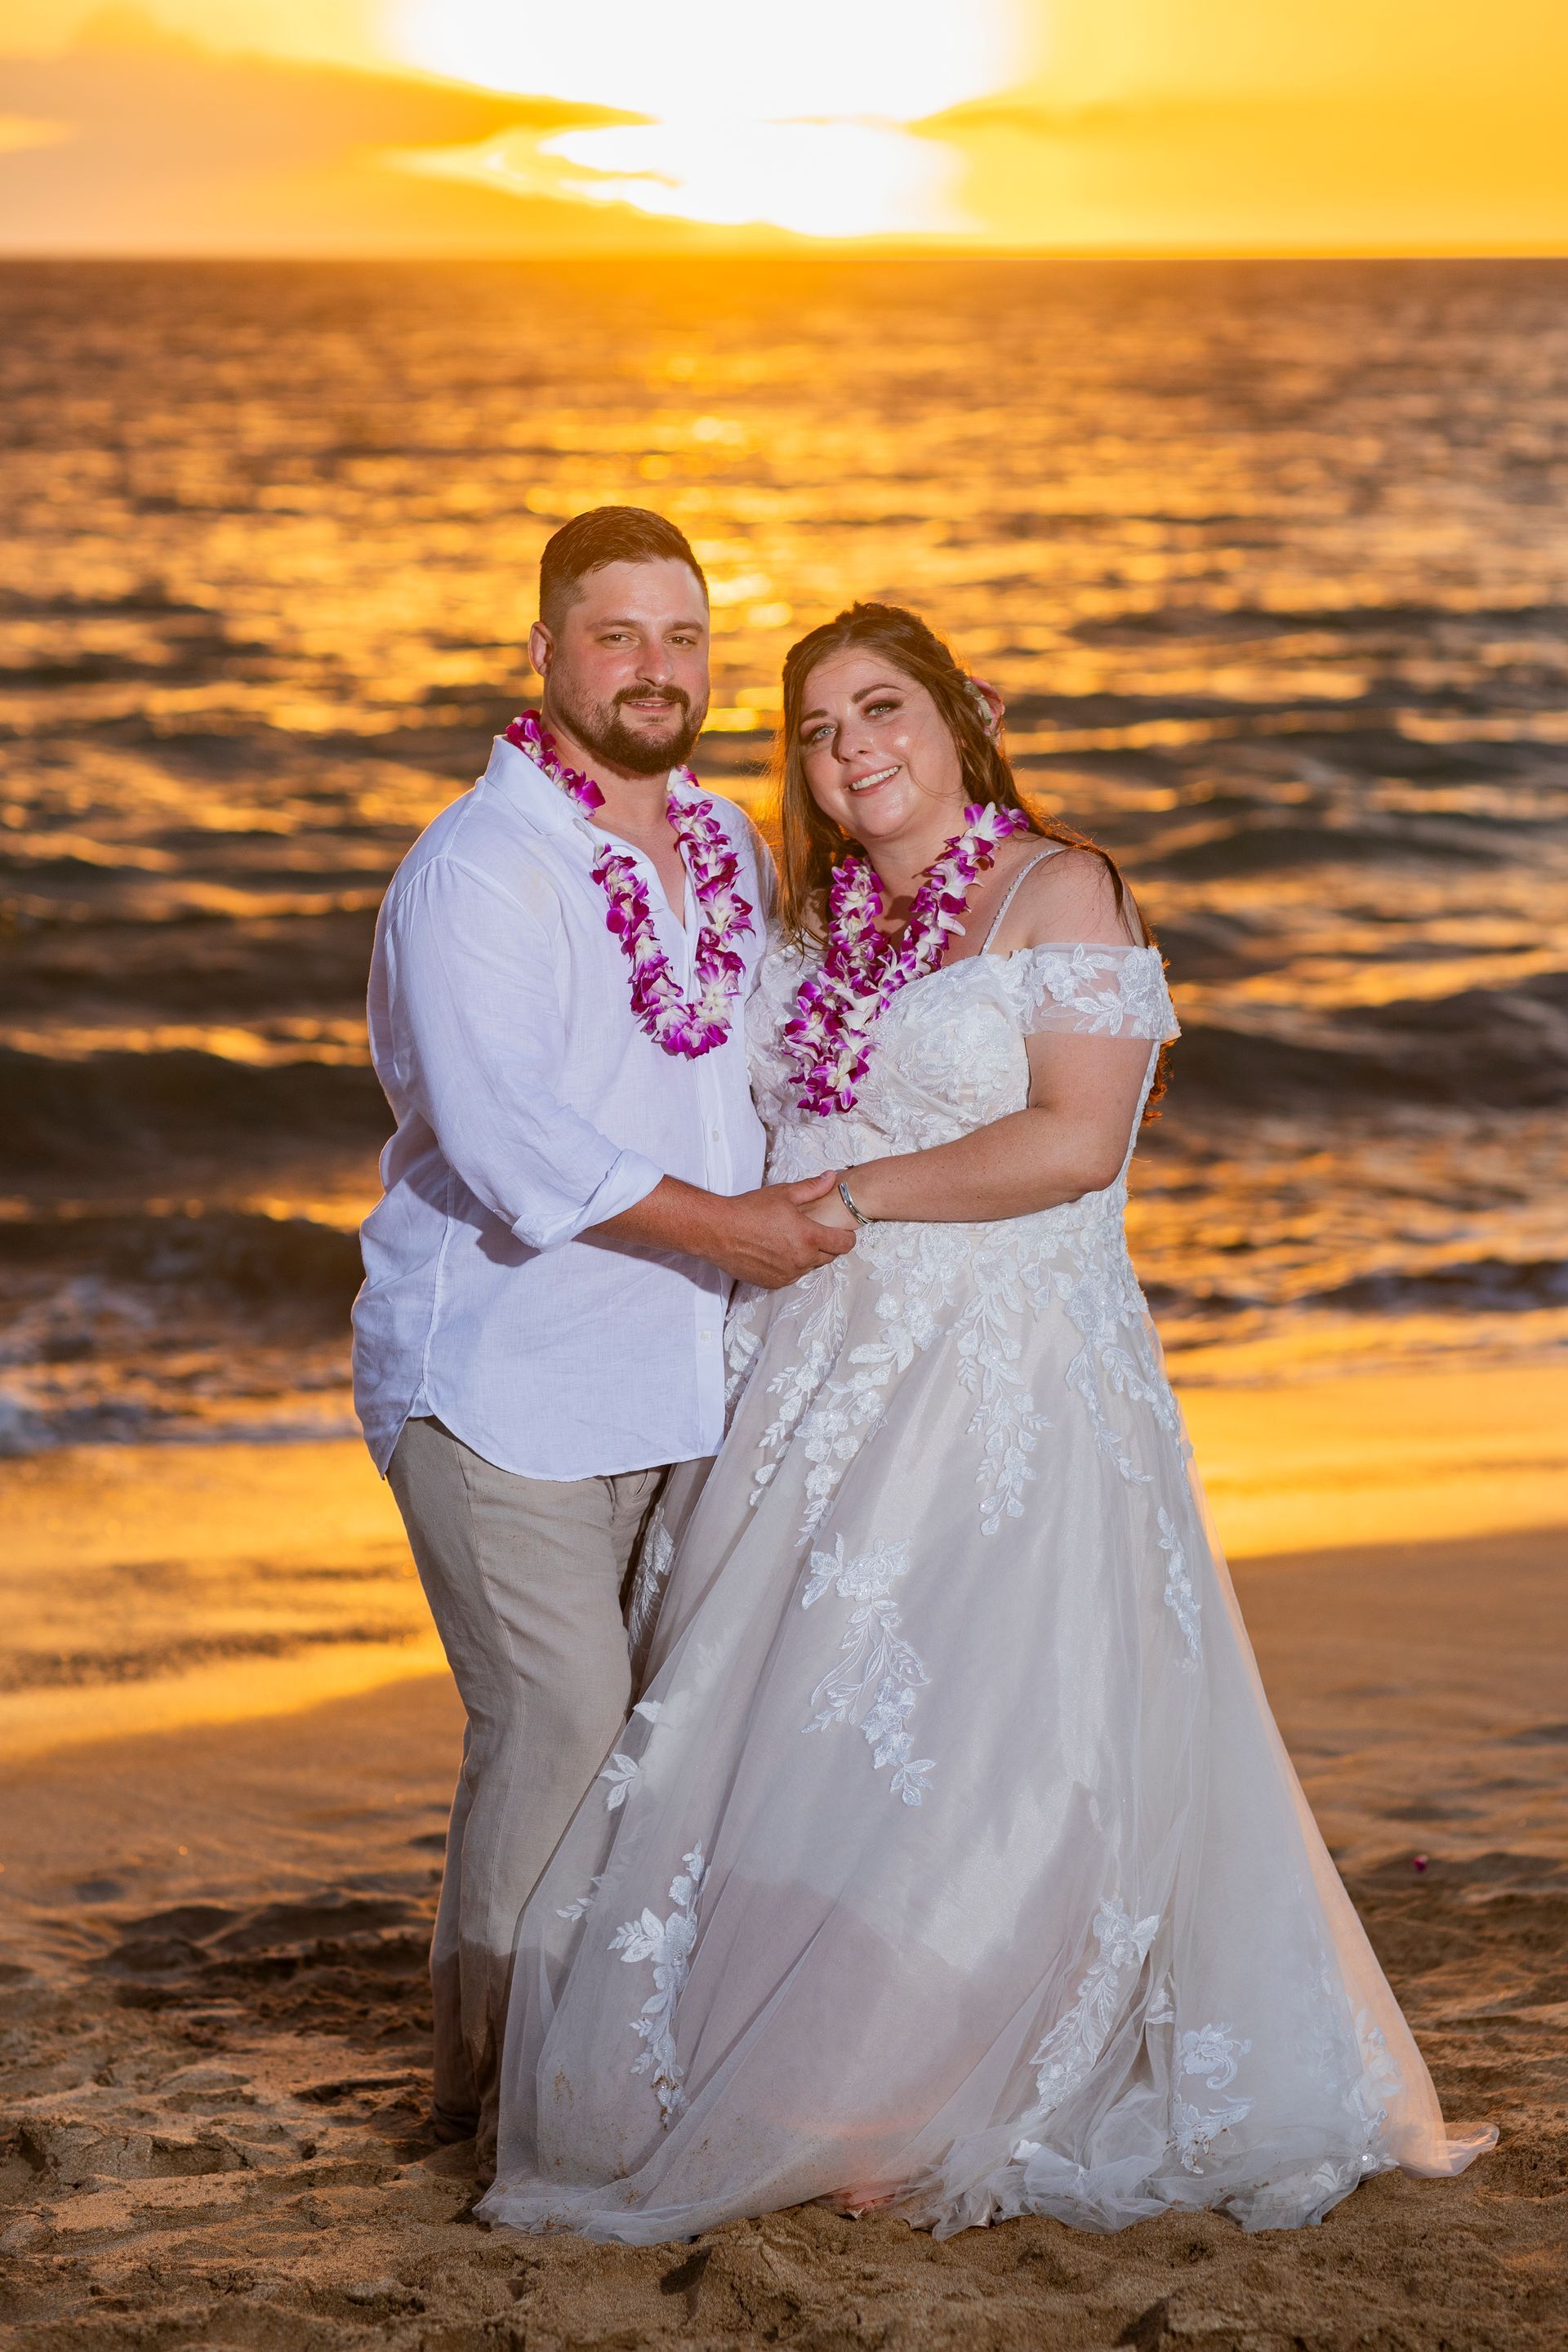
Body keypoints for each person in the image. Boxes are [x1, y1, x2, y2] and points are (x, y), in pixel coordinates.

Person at [478, 601, 1493, 2242]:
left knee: (985, 1740)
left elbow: (1076, 1142)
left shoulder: (1057, 887)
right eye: (813, 729)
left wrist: (845, 1196)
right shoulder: (831, 925)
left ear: (964, 716)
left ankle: (941, 2086)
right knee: (815, 1731)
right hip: (824, 1372)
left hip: (1008, 1374)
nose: (847, 749)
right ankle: (837, 2071)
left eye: (879, 708)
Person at [350, 508, 853, 2180]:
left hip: (682, 1373)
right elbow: (512, 1148)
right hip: (501, 1375)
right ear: (547, 653)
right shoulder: (479, 871)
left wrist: (949, 767)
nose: (656, 668)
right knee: (560, 1721)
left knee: (649, 1732)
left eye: (685, 637)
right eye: (617, 634)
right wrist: (746, 1234)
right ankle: (480, 2105)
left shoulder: (714, 843)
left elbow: (814, 1011)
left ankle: (596, 2058)